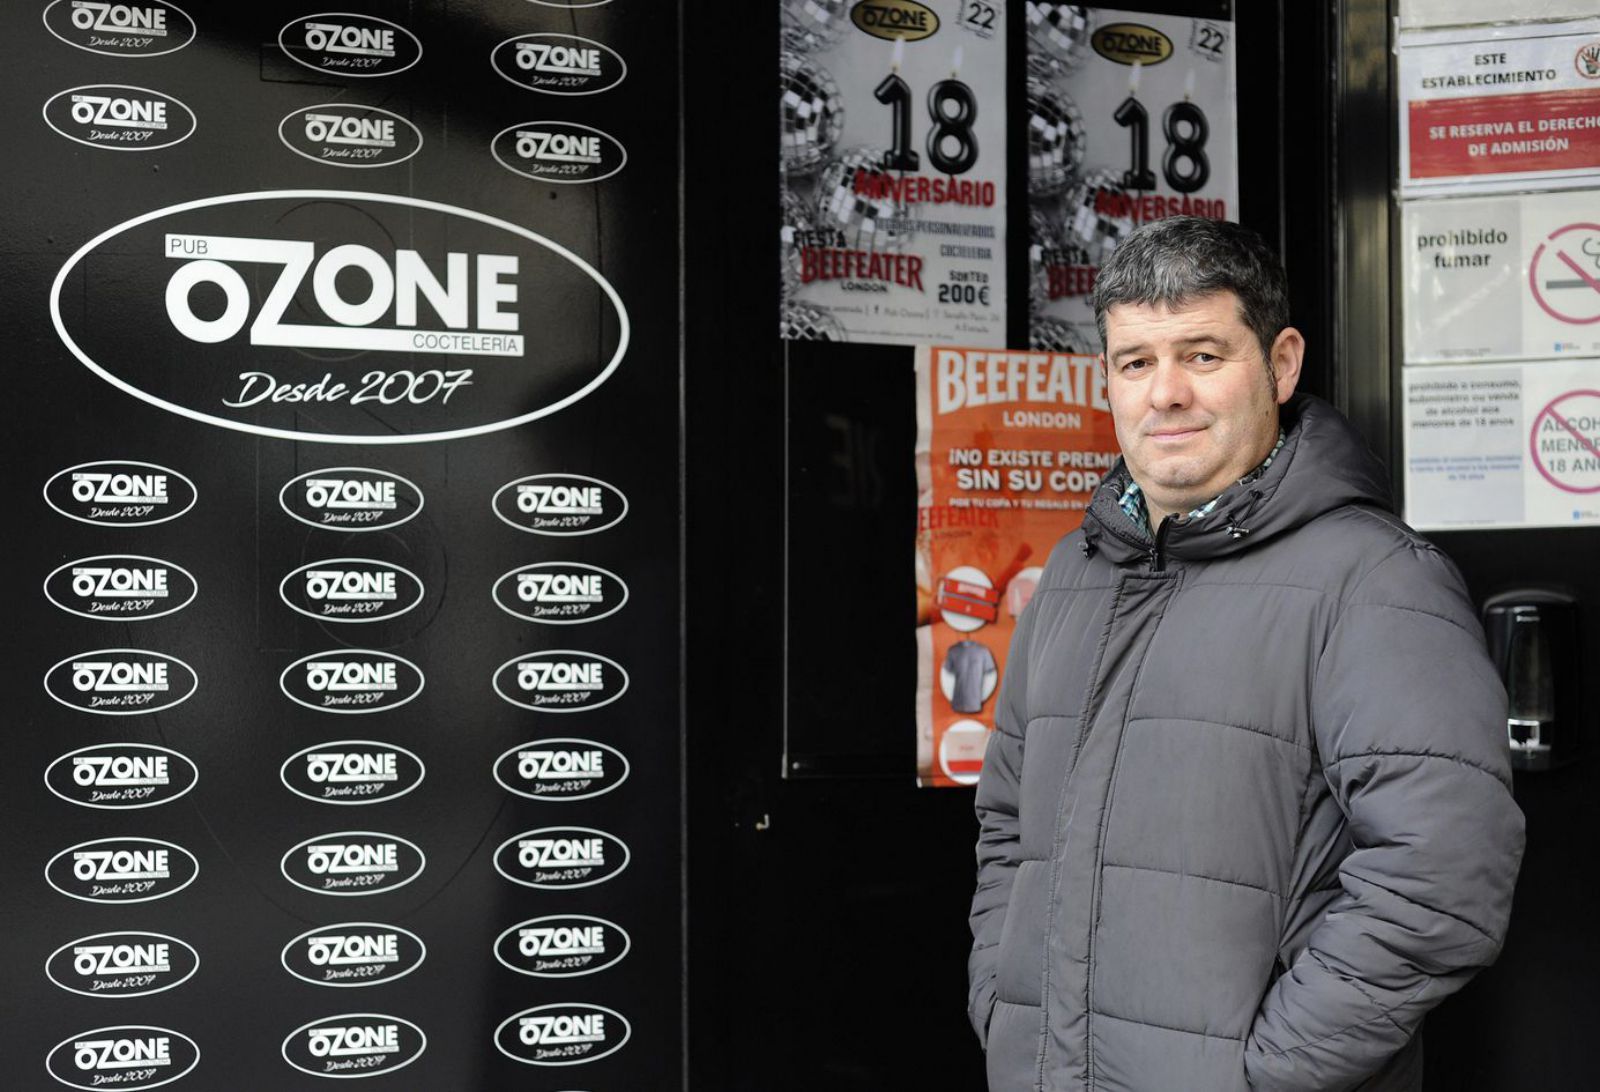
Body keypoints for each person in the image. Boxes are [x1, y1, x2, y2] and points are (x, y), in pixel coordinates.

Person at [967, 217, 1524, 1091]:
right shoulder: (1072, 574)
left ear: (1282, 362)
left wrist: (1268, 1073)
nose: (1166, 395)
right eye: (1136, 362)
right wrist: (1002, 1000)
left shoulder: (1377, 582)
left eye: (1202, 355)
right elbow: (1007, 826)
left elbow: (1442, 875)